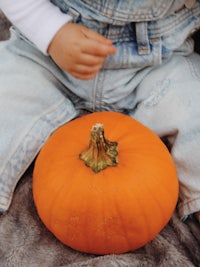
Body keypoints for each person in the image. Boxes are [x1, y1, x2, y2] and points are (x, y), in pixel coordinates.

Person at [0, 0, 200, 223]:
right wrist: (52, 31)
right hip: (45, 59)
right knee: (6, 98)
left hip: (158, 67)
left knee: (193, 110)